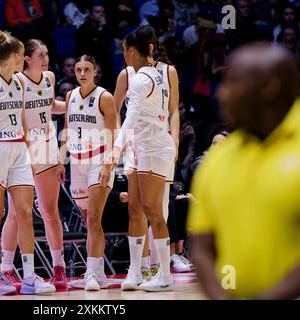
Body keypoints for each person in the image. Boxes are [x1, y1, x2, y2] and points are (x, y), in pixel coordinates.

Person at [188, 43, 300, 300]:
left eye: (233, 82)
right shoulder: (218, 157)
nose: (222, 94)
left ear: (269, 87)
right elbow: (202, 246)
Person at [0, 30, 55, 295]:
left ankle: (29, 276)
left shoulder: (19, 82)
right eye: (24, 55)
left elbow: (22, 119)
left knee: (25, 214)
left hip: (19, 149)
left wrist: (28, 152)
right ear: (18, 56)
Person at [111, 25, 179, 292]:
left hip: (152, 146)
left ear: (130, 50)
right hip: (141, 146)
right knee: (136, 207)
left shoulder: (143, 78)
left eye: (125, 50)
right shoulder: (152, 73)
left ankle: (164, 274)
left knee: (154, 211)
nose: (124, 55)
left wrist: (114, 149)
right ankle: (136, 270)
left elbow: (131, 115)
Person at [0, 39, 68, 288]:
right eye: (40, 54)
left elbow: (52, 107)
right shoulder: (17, 81)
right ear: (27, 58)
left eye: (47, 53)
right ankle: (7, 268)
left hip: (47, 146)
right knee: (17, 213)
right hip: (24, 148)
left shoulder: (49, 77)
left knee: (50, 212)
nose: (45, 58)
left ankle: (59, 267)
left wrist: (75, 105)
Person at [59, 54, 117, 291]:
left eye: (86, 69)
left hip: (99, 160)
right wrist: (61, 160)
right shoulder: (70, 95)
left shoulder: (105, 97)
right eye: (78, 69)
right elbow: (67, 130)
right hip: (77, 162)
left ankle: (91, 273)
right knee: (89, 222)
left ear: (96, 72)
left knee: (93, 218)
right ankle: (99, 272)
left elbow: (115, 133)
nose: (81, 73)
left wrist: (108, 164)